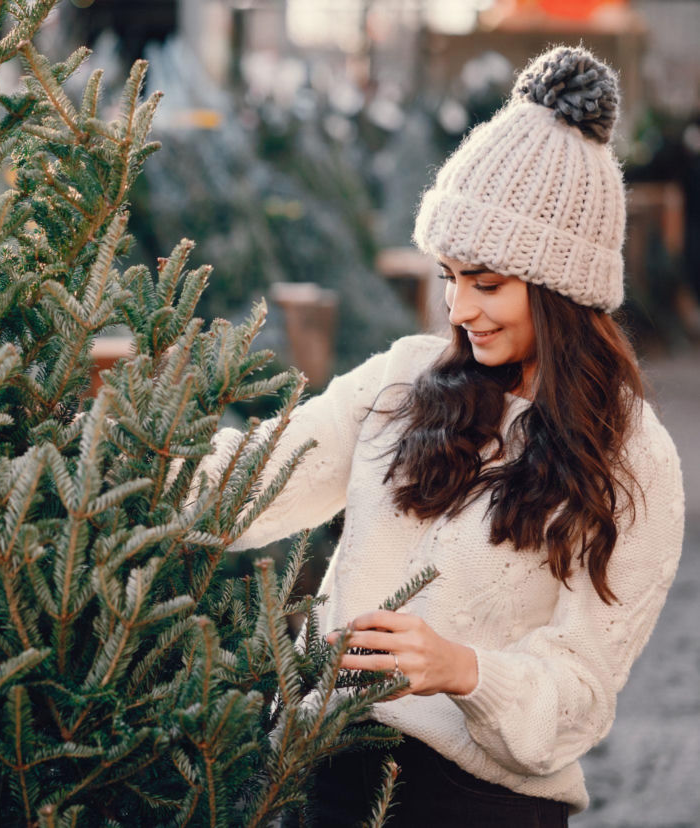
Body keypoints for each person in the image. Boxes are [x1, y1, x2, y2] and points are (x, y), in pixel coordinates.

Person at [198, 46, 685, 825]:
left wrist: (462, 670)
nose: (459, 308)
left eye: (487, 284)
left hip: (480, 803)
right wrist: (113, 458)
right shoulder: (403, 381)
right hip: (324, 773)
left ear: (563, 288)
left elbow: (582, 697)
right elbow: (263, 477)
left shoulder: (633, 458)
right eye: (449, 276)